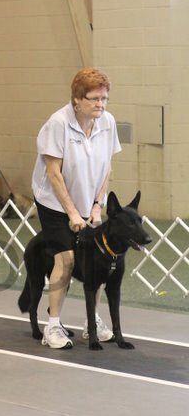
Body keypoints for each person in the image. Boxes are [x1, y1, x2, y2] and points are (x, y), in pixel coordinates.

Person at [32, 68, 121, 349]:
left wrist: (97, 206)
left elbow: (107, 166)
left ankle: (91, 322)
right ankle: (53, 326)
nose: (101, 104)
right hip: (54, 201)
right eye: (94, 99)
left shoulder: (107, 122)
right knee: (67, 260)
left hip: (87, 201)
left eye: (104, 98)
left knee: (96, 261)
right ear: (77, 99)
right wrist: (71, 212)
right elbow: (54, 173)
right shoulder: (58, 123)